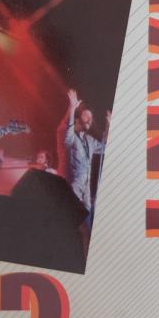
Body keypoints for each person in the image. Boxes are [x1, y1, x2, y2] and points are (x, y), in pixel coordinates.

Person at [57, 88, 110, 226]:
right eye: (86, 116)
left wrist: (109, 126)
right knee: (68, 226)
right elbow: (65, 130)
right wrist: (72, 108)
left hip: (85, 195)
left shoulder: (89, 140)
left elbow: (105, 146)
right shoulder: (69, 136)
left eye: (91, 118)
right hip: (69, 193)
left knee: (86, 230)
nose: (89, 120)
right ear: (77, 119)